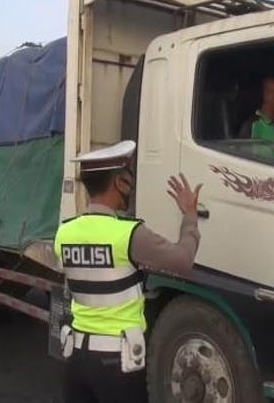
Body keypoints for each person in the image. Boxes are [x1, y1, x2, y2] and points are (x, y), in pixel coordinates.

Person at [54, 140, 202, 403]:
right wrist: (190, 215)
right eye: (128, 179)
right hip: (117, 364)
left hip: (75, 360)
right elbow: (183, 260)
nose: (131, 188)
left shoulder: (64, 233)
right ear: (118, 183)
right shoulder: (129, 234)